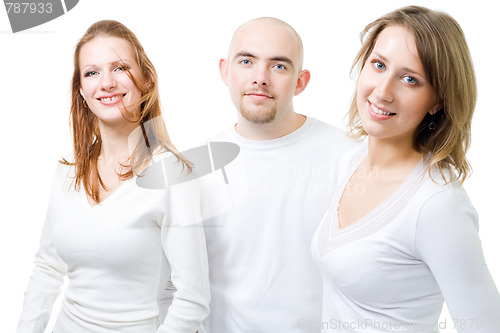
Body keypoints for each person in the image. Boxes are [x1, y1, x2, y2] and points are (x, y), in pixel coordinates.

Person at [312, 6, 500, 332]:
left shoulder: (436, 205)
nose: (382, 92)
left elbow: (485, 323)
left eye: (410, 79)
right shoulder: (350, 162)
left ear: (437, 101)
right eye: (379, 65)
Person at [16, 20, 209, 333]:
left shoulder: (171, 175)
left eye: (119, 68)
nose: (105, 83)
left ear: (146, 80)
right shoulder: (68, 172)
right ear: (81, 90)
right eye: (92, 72)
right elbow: (47, 268)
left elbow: (192, 299)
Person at [200, 17, 357, 333]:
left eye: (279, 66)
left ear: (301, 81)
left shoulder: (349, 157)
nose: (260, 78)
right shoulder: (198, 168)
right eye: (247, 61)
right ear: (225, 71)